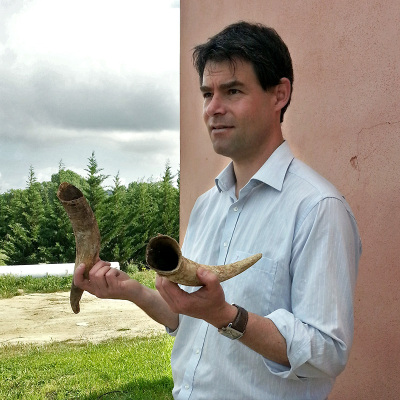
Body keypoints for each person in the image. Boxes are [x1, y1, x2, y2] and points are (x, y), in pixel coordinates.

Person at [74, 21, 361, 400]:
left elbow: (326, 352)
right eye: (207, 93)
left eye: (233, 91)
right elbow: (189, 317)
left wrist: (227, 316)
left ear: (279, 94)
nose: (213, 108)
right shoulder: (207, 205)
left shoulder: (318, 209)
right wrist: (132, 291)